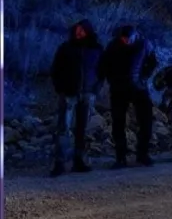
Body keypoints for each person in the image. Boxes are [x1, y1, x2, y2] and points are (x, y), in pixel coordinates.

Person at [49, 19, 104, 177]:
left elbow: (102, 71)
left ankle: (79, 160)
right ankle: (60, 162)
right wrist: (60, 88)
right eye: (77, 30)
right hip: (68, 94)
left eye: (82, 30)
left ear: (88, 31)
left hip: (87, 93)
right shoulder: (66, 48)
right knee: (63, 129)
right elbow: (56, 69)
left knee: (82, 129)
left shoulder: (96, 49)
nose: (79, 33)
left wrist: (95, 89)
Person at [101, 25, 158, 169]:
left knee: (145, 120)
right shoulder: (114, 45)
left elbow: (153, 62)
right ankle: (121, 157)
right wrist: (112, 79)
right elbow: (105, 64)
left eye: (128, 39)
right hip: (119, 89)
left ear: (134, 36)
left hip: (138, 88)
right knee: (118, 122)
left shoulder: (144, 44)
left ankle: (143, 154)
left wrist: (144, 77)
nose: (126, 41)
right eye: (123, 39)